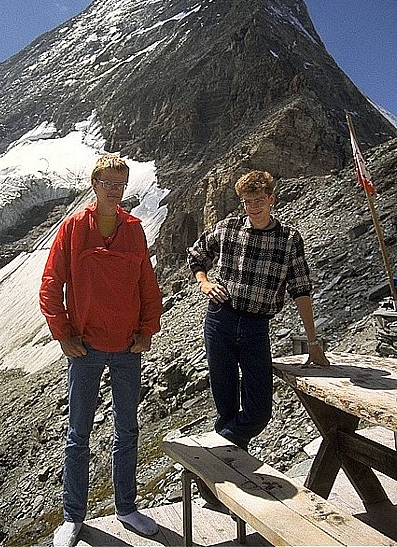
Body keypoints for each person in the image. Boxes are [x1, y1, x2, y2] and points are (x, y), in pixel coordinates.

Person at [40, 154, 163, 547]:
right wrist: (63, 334)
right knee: (78, 434)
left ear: (125, 187)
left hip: (128, 347)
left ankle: (126, 507)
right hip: (86, 347)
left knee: (127, 430)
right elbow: (50, 284)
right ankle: (72, 517)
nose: (114, 190)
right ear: (95, 185)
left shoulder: (134, 229)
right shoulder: (73, 228)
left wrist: (147, 330)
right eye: (107, 182)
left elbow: (147, 284)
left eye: (120, 184)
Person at [187, 169, 329, 458]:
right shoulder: (228, 228)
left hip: (255, 327)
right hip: (220, 320)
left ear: (271, 199)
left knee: (259, 410)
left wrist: (313, 343)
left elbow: (301, 289)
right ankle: (223, 479)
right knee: (225, 404)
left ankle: (212, 454)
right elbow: (197, 254)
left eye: (259, 200)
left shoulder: (289, 239)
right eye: (247, 202)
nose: (253, 207)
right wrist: (204, 283)